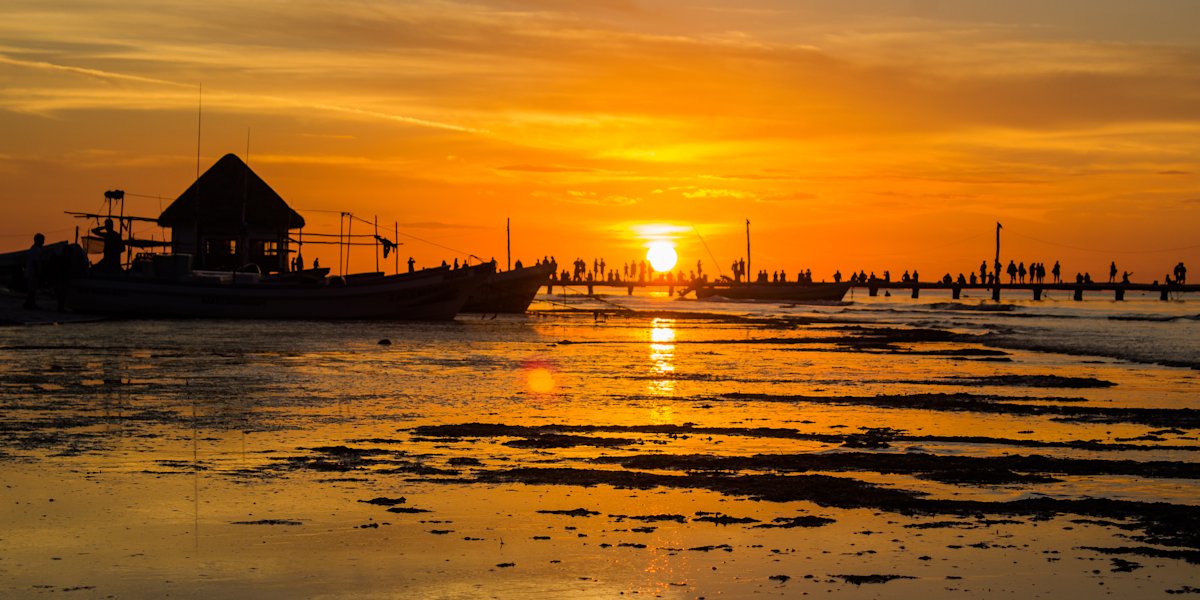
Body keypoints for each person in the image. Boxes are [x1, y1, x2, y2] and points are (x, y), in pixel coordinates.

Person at [23, 233, 45, 309]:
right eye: (42, 240)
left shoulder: (35, 249)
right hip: (32, 273)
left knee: (32, 289)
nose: (43, 242)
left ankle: (29, 303)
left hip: (32, 272)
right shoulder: (35, 250)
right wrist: (38, 272)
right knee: (32, 290)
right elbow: (35, 262)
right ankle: (29, 304)